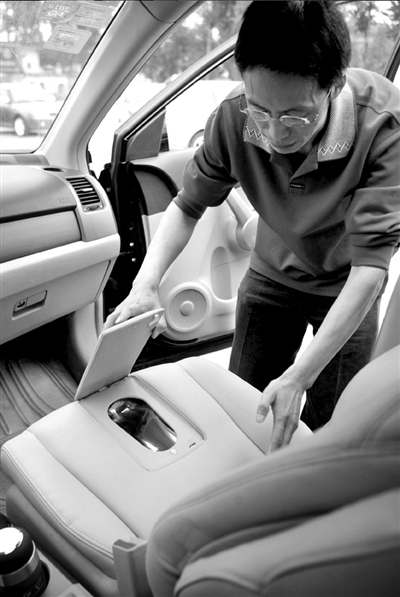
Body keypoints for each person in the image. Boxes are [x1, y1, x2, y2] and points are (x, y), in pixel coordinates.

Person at [104, 1, 400, 450]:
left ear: (335, 86)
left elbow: (370, 269)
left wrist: (300, 376)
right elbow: (187, 206)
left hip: (347, 283)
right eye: (262, 112)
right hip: (270, 274)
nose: (277, 134)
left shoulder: (384, 126)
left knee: (335, 427)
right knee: (243, 405)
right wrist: (145, 285)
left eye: (296, 116)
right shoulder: (234, 115)